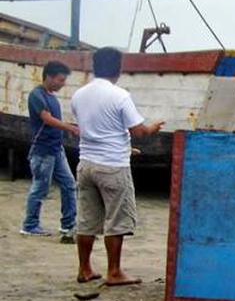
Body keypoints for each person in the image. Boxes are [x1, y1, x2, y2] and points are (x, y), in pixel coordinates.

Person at [71, 47, 164, 286]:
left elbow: (91, 130)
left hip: (86, 164)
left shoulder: (78, 95)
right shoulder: (120, 95)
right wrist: (153, 128)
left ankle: (85, 269)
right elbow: (138, 131)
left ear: (95, 66)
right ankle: (114, 271)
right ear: (119, 68)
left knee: (87, 219)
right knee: (116, 218)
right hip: (113, 166)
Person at [20, 61, 79, 238]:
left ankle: (68, 224)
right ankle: (30, 225)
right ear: (49, 77)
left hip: (56, 149)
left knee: (69, 185)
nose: (63, 84)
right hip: (43, 150)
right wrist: (71, 128)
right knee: (40, 188)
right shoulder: (37, 95)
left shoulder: (51, 97)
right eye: (61, 80)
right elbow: (47, 119)